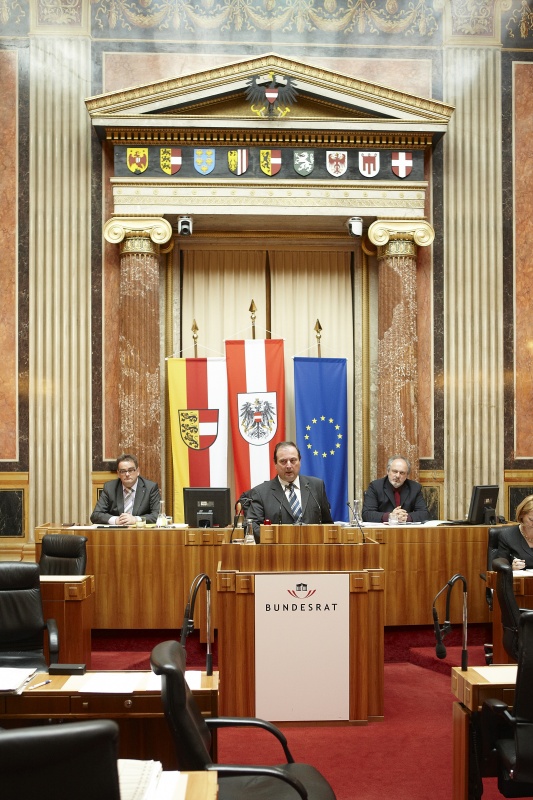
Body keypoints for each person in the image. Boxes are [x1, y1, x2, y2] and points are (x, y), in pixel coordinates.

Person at [247, 441, 333, 541]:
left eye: (293, 460)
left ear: (300, 461)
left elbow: (327, 523)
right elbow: (251, 526)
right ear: (275, 464)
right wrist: (283, 536)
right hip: (277, 552)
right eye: (283, 461)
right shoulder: (261, 492)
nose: (288, 466)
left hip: (313, 551)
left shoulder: (316, 486)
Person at [90, 453, 161, 525]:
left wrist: (135, 519)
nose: (127, 474)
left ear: (138, 471)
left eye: (130, 470)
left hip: (141, 534)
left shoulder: (150, 488)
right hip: (117, 534)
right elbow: (96, 515)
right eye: (123, 471)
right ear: (118, 473)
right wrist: (116, 520)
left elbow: (157, 516)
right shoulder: (110, 487)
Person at [361, 455, 430, 523]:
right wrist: (390, 516)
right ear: (388, 471)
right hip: (383, 531)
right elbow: (366, 514)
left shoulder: (415, 488)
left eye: (402, 473)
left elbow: (425, 514)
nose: (397, 476)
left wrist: (406, 517)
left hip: (407, 532)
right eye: (394, 471)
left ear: (407, 475)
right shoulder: (375, 486)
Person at [496, 495, 533, 570]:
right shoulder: (507, 536)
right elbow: (500, 566)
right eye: (531, 520)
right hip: (520, 580)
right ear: (521, 515)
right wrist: (511, 568)